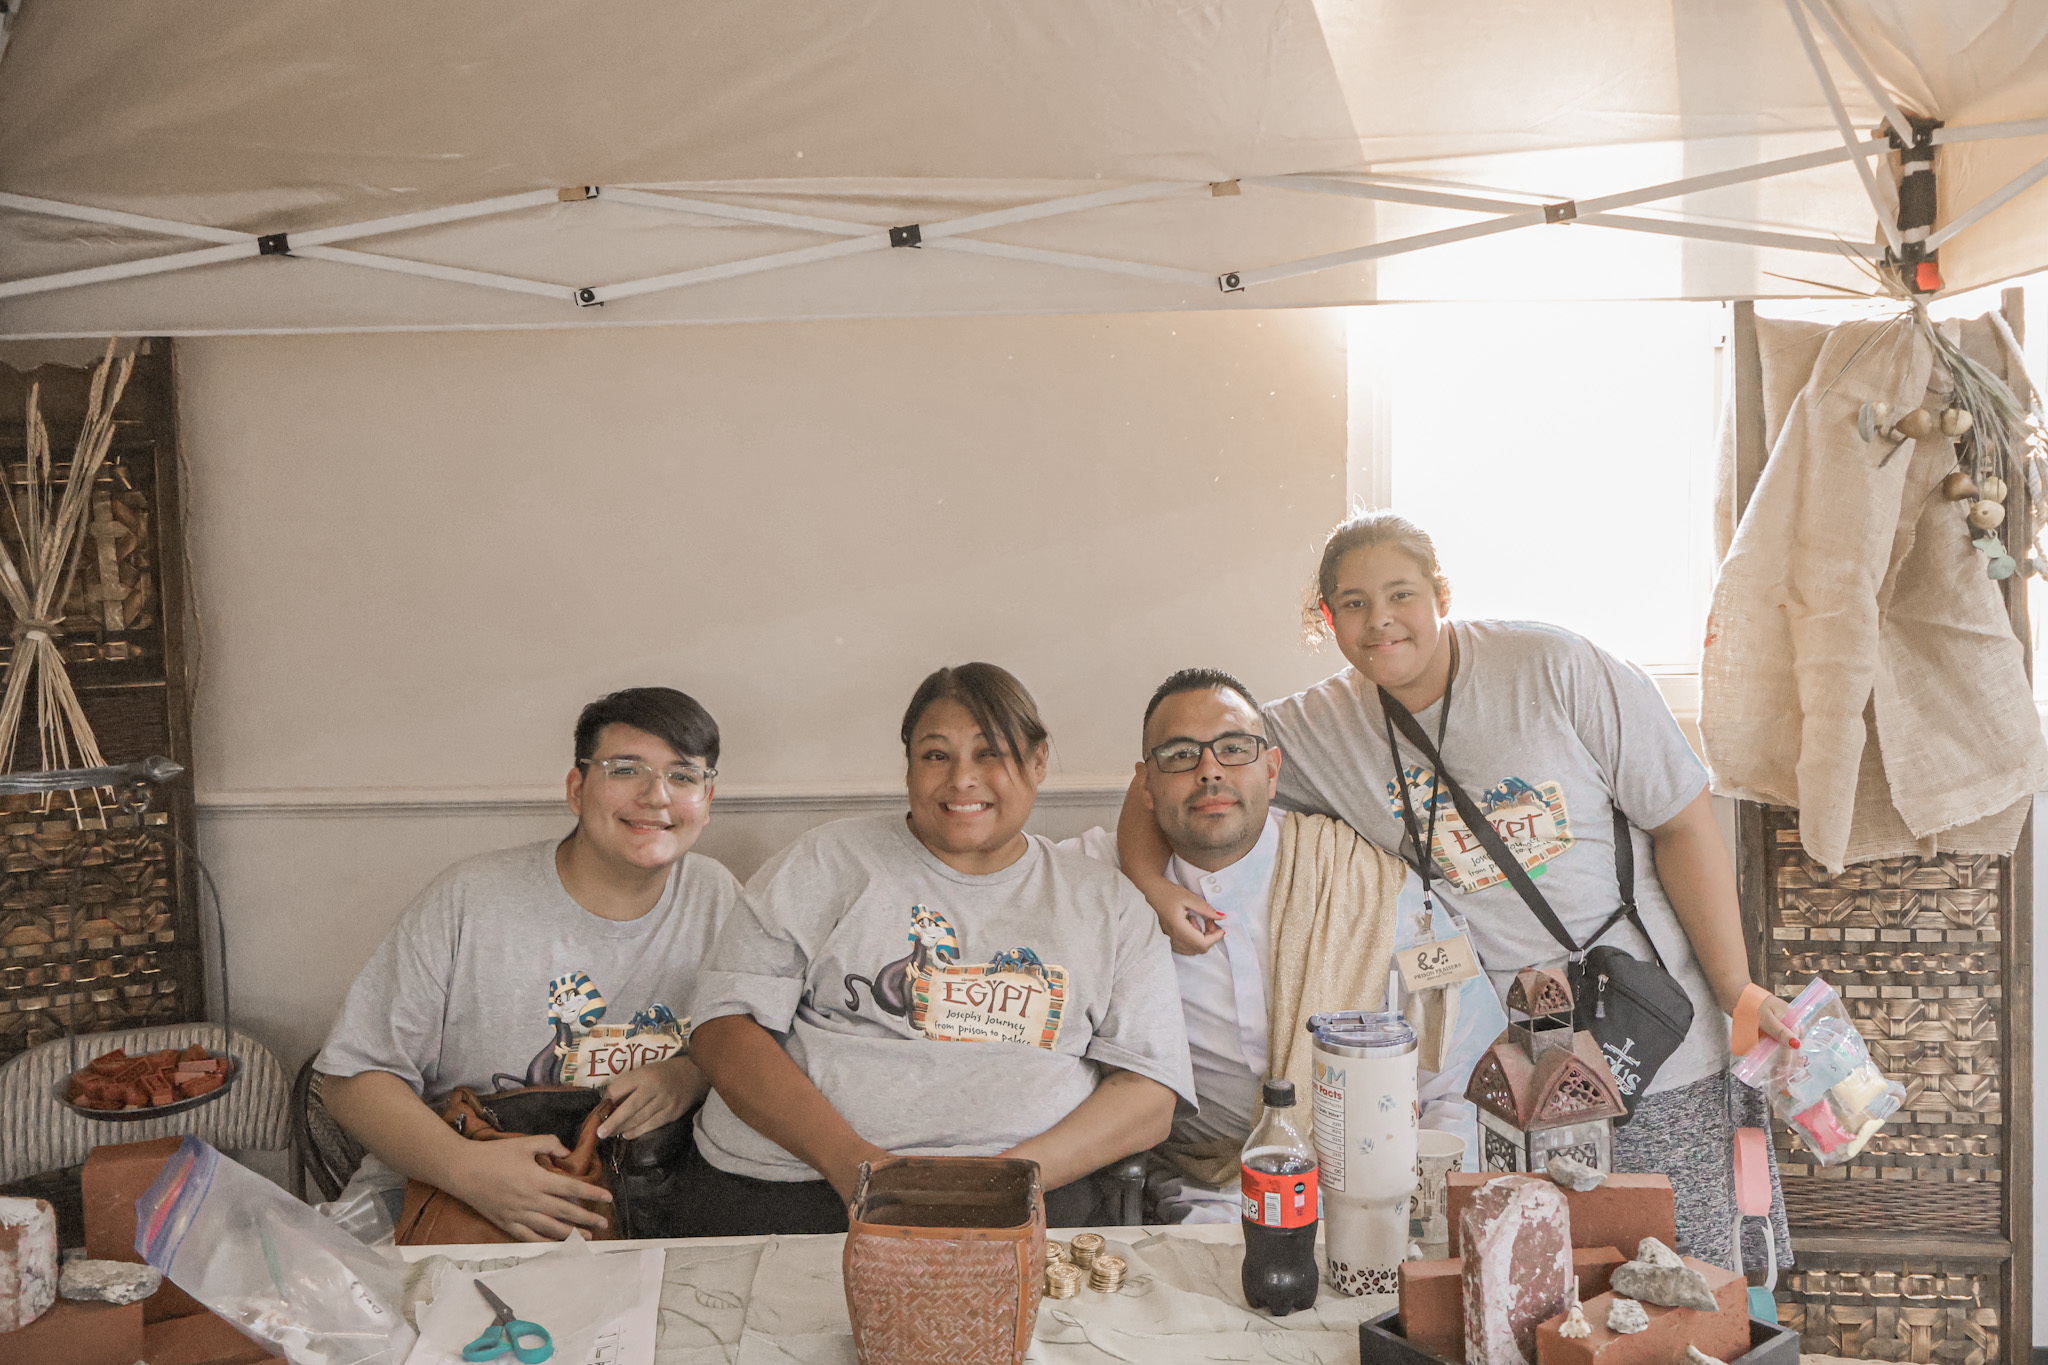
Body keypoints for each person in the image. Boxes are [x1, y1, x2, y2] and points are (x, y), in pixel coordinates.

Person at [1118, 511, 1795, 1270]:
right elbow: (1169, 772)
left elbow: (1683, 824)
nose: (1381, 620)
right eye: (1353, 604)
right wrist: (1151, 886)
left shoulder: (1553, 666)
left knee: (1686, 1272)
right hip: (1506, 1071)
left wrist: (1736, 988)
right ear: (1326, 619)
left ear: (1441, 593)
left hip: (1646, 1034)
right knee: (1543, 1285)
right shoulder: (1315, 727)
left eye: (1401, 594)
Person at [683, 662, 1194, 1235]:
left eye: (989, 753)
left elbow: (1149, 1094)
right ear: (908, 766)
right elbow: (724, 1027)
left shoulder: (1107, 902)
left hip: (1026, 1200)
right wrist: (857, 1168)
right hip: (796, 1186)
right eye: (935, 755)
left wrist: (1003, 1181)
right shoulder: (826, 861)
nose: (961, 779)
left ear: (1038, 761)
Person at [1065, 667, 1505, 1222]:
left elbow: (1467, 1069)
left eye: (1234, 749)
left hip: (1384, 1194)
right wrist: (1147, 883)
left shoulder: (1371, 884)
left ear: (1272, 770)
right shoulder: (1094, 882)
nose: (1209, 771)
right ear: (1145, 785)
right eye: (1180, 755)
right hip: (1210, 1200)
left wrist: (1426, 1209)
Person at [317, 686, 737, 1241]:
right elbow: (351, 1079)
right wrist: (467, 1172)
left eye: (682, 776)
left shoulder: (716, 896)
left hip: (636, 1203)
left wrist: (691, 1073)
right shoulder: (471, 899)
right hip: (450, 1193)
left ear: (707, 800)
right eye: (625, 770)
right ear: (577, 789)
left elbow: (758, 1042)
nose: (657, 796)